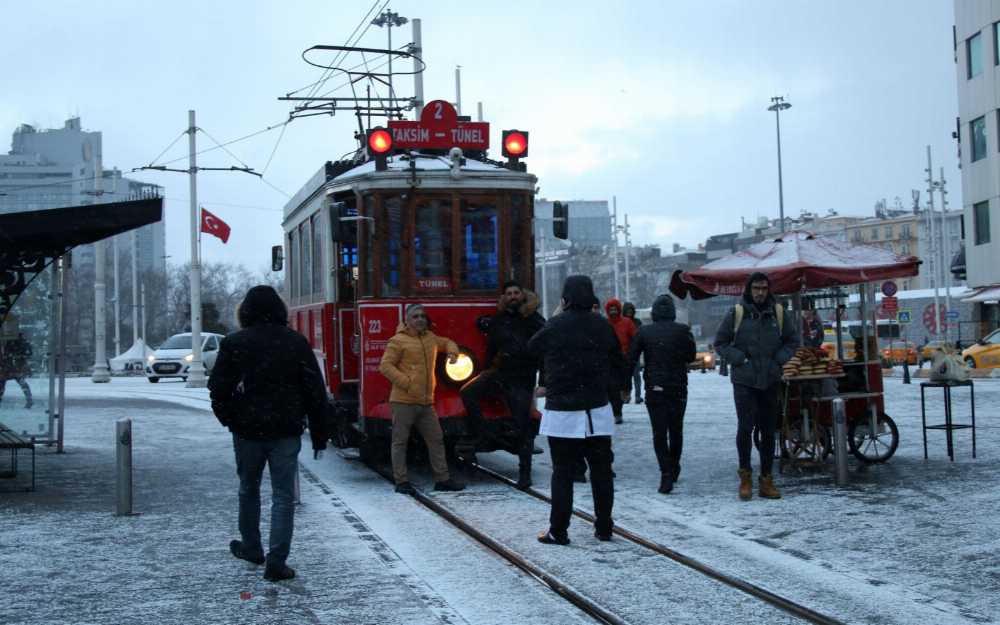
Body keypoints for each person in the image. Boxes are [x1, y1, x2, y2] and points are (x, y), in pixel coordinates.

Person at [208, 285, 331, 582]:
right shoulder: (295, 342)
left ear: (245, 312)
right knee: (283, 496)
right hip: (286, 429)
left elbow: (218, 389)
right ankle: (277, 560)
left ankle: (252, 547)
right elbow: (315, 391)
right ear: (280, 310)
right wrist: (318, 433)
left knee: (248, 490)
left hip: (248, 431)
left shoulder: (234, 343)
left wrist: (232, 420)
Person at [528, 276, 628, 545]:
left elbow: (532, 347)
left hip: (562, 410)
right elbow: (618, 360)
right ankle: (604, 526)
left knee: (563, 472)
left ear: (565, 297)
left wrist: (556, 316)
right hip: (596, 410)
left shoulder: (557, 324)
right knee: (601, 470)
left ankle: (559, 530)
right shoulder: (603, 326)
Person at [714, 272, 798, 501]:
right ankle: (745, 478)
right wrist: (741, 359)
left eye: (764, 288)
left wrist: (778, 361)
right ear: (749, 290)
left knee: (769, 432)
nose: (760, 292)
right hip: (744, 380)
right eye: (756, 288)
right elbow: (720, 342)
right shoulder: (736, 312)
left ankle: (767, 480)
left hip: (770, 380)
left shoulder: (778, 313)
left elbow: (793, 341)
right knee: (745, 428)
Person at [460, 280, 546, 490]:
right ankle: (483, 433)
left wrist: (543, 381)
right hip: (499, 373)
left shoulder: (535, 320)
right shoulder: (499, 320)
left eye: (516, 292)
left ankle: (524, 473)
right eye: (509, 293)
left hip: (521, 379)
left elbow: (545, 354)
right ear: (505, 298)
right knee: (468, 391)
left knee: (522, 426)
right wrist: (483, 374)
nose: (513, 296)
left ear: (522, 295)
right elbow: (491, 349)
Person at [379, 303, 466, 495]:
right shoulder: (398, 341)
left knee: (436, 439)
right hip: (403, 400)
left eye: (422, 316)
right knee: (400, 441)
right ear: (407, 320)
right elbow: (385, 366)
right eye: (415, 317)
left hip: (426, 403)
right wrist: (406, 382)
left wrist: (453, 354)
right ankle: (401, 481)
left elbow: (448, 342)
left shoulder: (430, 338)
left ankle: (442, 479)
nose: (420, 320)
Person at [625, 294, 696, 494]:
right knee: (676, 430)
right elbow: (690, 356)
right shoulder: (683, 331)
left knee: (659, 432)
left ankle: (665, 473)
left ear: (654, 312)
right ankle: (674, 465)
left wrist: (624, 386)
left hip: (655, 388)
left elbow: (630, 359)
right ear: (672, 312)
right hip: (678, 387)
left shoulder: (644, 331)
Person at [604, 298, 636, 424]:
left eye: (615, 310)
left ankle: (618, 411)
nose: (613, 312)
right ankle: (613, 410)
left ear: (619, 310)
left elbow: (635, 338)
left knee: (620, 387)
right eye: (610, 310)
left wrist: (630, 355)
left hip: (623, 359)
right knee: (610, 388)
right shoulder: (605, 323)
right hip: (608, 360)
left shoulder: (627, 322)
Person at [0, 334, 33, 409]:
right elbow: (29, 354)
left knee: (2, 383)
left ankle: (29, 399)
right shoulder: (23, 342)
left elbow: (7, 354)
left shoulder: (10, 342)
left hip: (10, 365)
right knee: (22, 382)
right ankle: (29, 399)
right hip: (18, 366)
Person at [622, 302, 644, 404]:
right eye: (627, 312)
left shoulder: (637, 322)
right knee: (628, 375)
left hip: (634, 351)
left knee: (635, 375)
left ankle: (636, 395)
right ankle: (628, 395)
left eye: (631, 312)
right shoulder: (633, 322)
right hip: (627, 351)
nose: (629, 314)